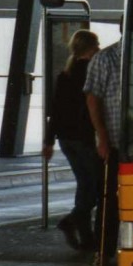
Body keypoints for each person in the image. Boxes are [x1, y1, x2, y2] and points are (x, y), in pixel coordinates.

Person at [46, 29, 101, 251]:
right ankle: (72, 221)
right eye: (96, 45)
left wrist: (48, 142)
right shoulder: (92, 72)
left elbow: (55, 111)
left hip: (66, 140)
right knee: (98, 187)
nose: (99, 48)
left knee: (85, 184)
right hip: (86, 138)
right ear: (91, 47)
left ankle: (86, 237)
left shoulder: (65, 75)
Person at [85, 33, 123, 266]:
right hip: (115, 143)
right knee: (109, 200)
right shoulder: (105, 58)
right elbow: (92, 97)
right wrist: (102, 137)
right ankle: (102, 251)